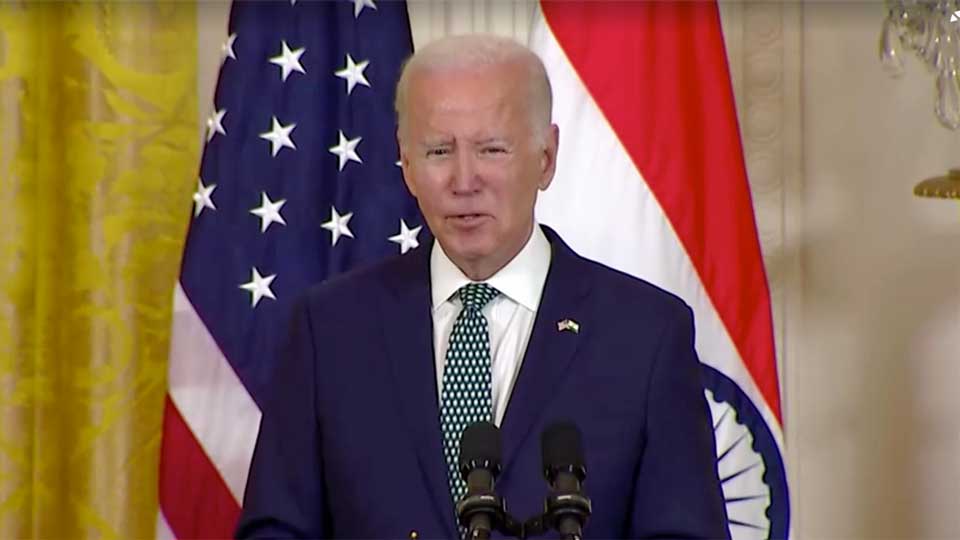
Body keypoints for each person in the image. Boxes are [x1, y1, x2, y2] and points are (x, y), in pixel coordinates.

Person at [236, 34, 728, 539]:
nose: (464, 180)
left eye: (492, 149)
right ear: (406, 163)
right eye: (439, 151)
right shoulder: (329, 329)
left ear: (546, 158)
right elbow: (275, 530)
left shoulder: (646, 335)